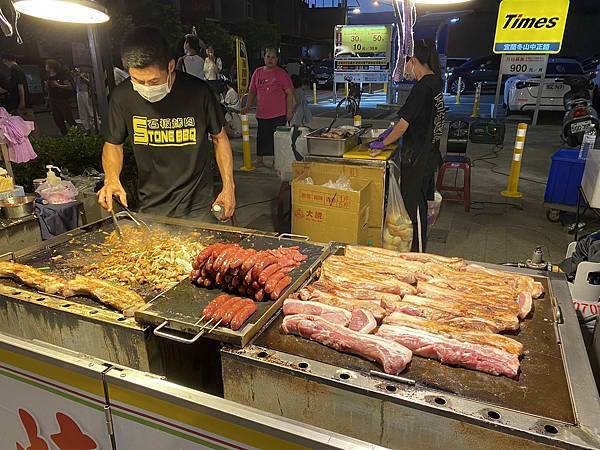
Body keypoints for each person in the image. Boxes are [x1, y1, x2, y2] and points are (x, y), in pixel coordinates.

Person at [98, 27, 235, 221]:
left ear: (170, 66)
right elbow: (113, 143)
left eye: (154, 81)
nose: (146, 88)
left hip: (198, 205)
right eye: (138, 80)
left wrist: (229, 187)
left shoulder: (198, 92)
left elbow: (219, 139)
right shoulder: (122, 96)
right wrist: (111, 178)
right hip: (151, 204)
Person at [369, 39, 445, 252]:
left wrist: (383, 143)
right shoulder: (436, 82)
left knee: (415, 209)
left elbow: (403, 125)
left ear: (413, 60)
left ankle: (418, 254)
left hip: (418, 157)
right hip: (428, 153)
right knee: (417, 205)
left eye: (406, 63)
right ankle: (417, 250)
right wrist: (389, 134)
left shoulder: (422, 88)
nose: (405, 69)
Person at [242, 47, 294, 167]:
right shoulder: (258, 72)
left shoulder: (281, 73)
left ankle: (277, 160)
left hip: (279, 113)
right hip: (262, 113)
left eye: (273, 57)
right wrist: (247, 107)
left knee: (277, 139)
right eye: (268, 57)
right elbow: (252, 92)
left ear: (277, 59)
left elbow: (289, 93)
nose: (270, 59)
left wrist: (289, 111)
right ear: (264, 58)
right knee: (261, 137)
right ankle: (260, 159)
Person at [45, 59, 76, 136]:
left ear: (51, 66)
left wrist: (58, 85)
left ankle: (76, 134)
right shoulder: (48, 77)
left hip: (62, 99)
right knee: (57, 119)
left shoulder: (61, 75)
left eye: (47, 65)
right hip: (53, 100)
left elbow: (69, 87)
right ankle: (65, 134)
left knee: (68, 118)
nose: (45, 66)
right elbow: (48, 90)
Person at [73, 67, 94, 132]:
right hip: (79, 92)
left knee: (90, 110)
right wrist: (76, 75)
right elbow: (75, 82)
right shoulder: (76, 74)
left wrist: (81, 76)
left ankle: (95, 126)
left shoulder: (87, 72)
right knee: (82, 111)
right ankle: (87, 128)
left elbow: (90, 82)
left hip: (86, 91)